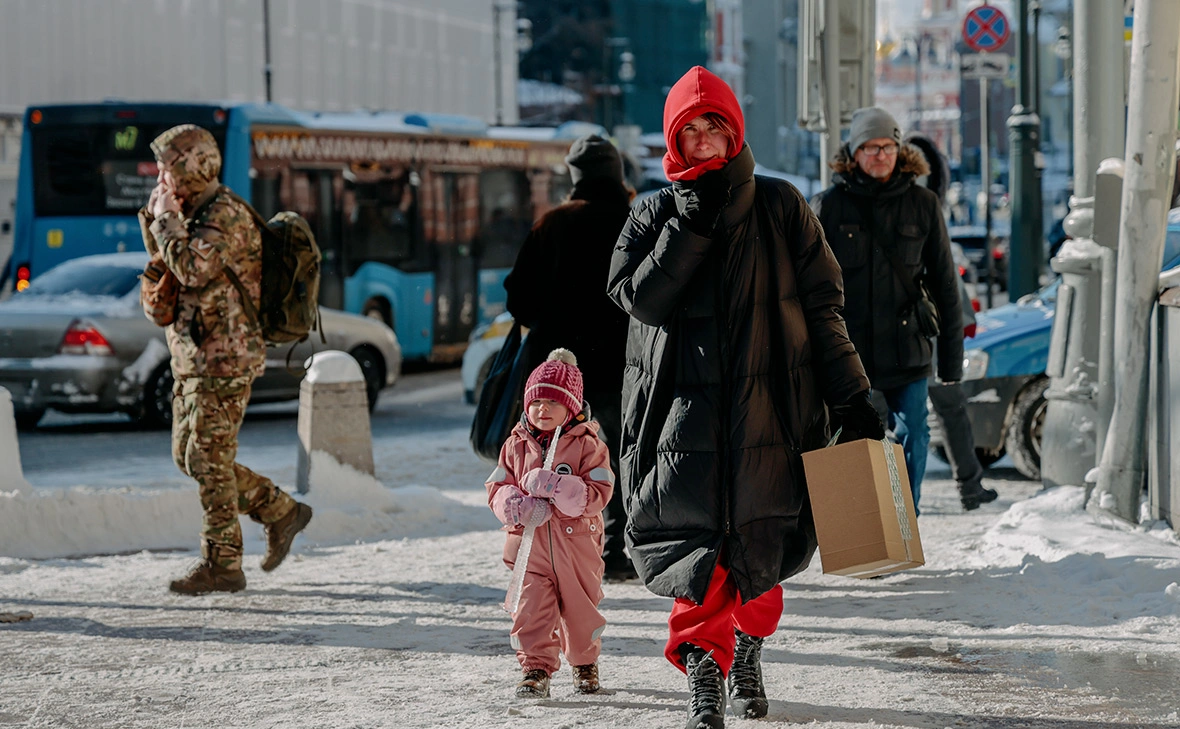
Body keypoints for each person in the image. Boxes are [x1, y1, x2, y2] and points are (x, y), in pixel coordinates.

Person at [607, 66, 882, 729]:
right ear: (674, 138)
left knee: (760, 552)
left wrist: (854, 395)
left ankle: (748, 647)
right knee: (698, 557)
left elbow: (824, 311)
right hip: (680, 422)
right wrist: (689, 222)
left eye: (715, 127)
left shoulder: (782, 207)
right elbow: (638, 298)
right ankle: (705, 677)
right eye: (689, 130)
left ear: (735, 132)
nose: (703, 141)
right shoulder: (651, 212)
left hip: (772, 415)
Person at [140, 124, 312, 595]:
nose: (159, 176)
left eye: (167, 167)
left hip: (224, 358)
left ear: (194, 167)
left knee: (210, 460)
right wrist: (159, 218)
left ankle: (223, 564)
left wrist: (165, 220)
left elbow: (193, 269)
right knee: (189, 458)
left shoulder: (225, 215)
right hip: (193, 357)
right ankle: (279, 509)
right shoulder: (192, 212)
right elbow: (166, 266)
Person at [811, 107, 964, 515]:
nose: (880, 154)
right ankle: (860, 526)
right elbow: (805, 285)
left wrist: (951, 362)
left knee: (914, 432)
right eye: (870, 147)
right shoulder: (828, 206)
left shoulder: (923, 203)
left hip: (907, 348)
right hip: (849, 352)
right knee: (850, 441)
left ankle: (903, 521)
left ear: (899, 149)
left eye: (888, 146)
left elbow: (946, 285)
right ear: (854, 152)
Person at [502, 134, 636, 581]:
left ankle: (562, 550)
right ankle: (616, 549)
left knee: (557, 461)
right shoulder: (635, 221)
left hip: (561, 371)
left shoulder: (552, 225)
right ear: (617, 175)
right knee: (615, 456)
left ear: (575, 177)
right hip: (623, 365)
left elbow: (519, 301)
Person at [485, 348, 614, 699]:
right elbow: (497, 484)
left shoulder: (589, 445)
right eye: (536, 402)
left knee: (580, 609)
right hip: (529, 548)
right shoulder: (515, 444)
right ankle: (535, 668)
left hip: (577, 548)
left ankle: (584, 662)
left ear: (571, 407)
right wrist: (511, 503)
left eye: (552, 403)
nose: (542, 410)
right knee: (531, 610)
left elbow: (599, 491)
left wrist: (556, 487)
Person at [905, 133, 998, 512]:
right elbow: (946, 280)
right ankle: (967, 486)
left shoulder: (912, 205)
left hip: (922, 326)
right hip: (928, 327)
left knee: (920, 419)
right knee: (941, 411)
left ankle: (909, 503)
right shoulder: (928, 207)